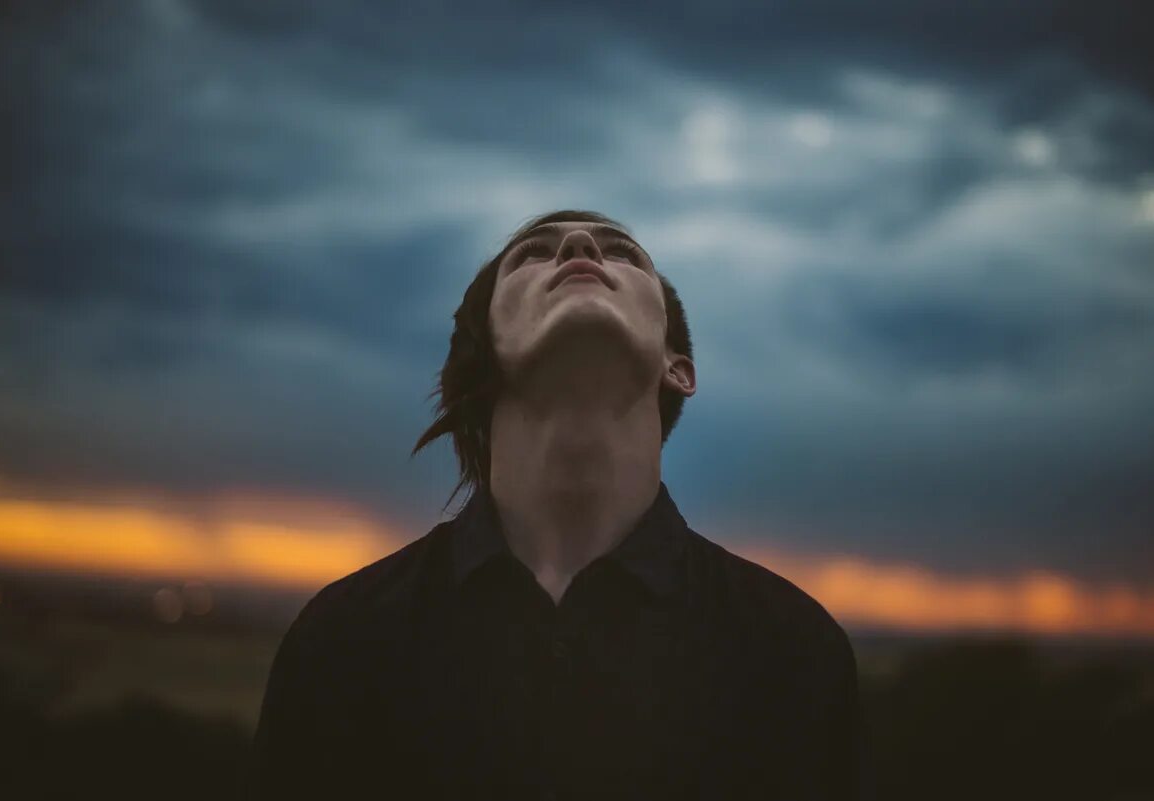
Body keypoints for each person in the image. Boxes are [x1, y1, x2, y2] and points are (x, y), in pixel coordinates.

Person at [245, 210, 865, 800]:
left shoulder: (792, 651)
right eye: (533, 255)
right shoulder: (343, 642)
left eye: (623, 253)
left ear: (679, 369)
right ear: (480, 353)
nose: (581, 249)